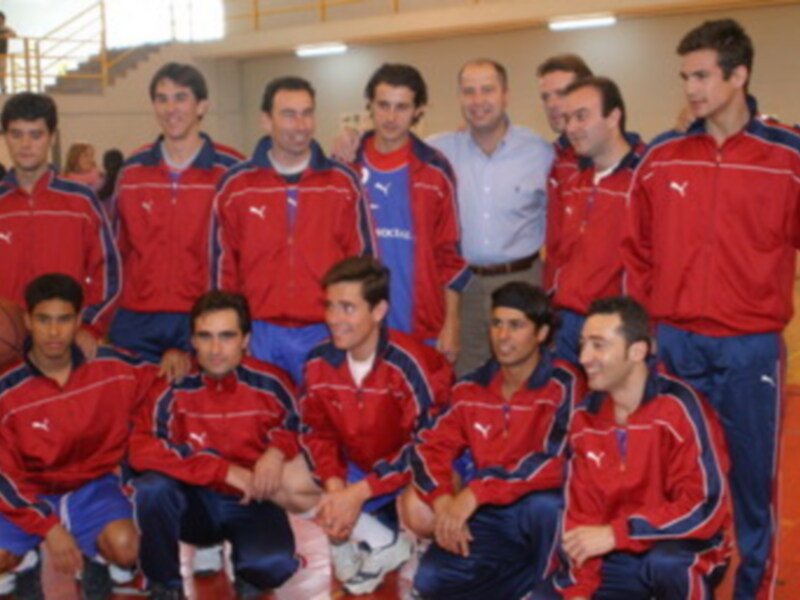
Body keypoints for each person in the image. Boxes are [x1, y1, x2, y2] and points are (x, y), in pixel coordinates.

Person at [621, 19, 800, 599]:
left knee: (752, 487)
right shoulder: (664, 155)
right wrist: (645, 334)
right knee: (679, 482)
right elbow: (637, 251)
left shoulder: (788, 156)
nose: (691, 88)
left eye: (702, 76)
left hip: (751, 350)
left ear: (739, 74)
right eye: (685, 77)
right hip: (675, 343)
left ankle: (754, 592)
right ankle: (683, 587)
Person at [403, 282, 585, 599]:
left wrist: (476, 491)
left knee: (548, 505)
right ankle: (526, 584)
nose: (503, 336)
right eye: (497, 324)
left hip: (538, 512)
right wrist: (444, 500)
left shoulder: (564, 383)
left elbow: (560, 461)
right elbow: (427, 447)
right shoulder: (471, 388)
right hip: (489, 512)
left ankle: (550, 589)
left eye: (516, 326)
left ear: (541, 334)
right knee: (430, 581)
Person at [284, 257, 452, 595]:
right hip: (358, 464)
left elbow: (425, 447)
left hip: (408, 468)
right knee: (286, 481)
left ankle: (391, 533)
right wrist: (334, 487)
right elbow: (317, 433)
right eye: (330, 306)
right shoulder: (319, 361)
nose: (334, 319)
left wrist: (359, 493)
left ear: (378, 311)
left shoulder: (414, 365)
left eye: (348, 308)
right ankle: (381, 540)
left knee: (423, 514)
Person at [555, 296, 731, 599]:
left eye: (598, 345)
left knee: (667, 563)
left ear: (637, 351)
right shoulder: (583, 419)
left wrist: (619, 533)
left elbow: (704, 507)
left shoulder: (680, 408)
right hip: (613, 556)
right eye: (583, 344)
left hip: (680, 546)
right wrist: (580, 591)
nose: (584, 357)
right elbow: (580, 520)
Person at [129, 291, 301, 600]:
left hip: (252, 498)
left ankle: (249, 566)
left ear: (245, 339)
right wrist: (221, 470)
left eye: (227, 336)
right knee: (152, 490)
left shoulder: (272, 383)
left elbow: (302, 425)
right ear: (193, 341)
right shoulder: (172, 384)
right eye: (205, 337)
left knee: (273, 567)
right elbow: (141, 449)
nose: (216, 349)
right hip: (193, 505)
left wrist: (276, 451)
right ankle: (165, 585)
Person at [0, 273, 154, 599]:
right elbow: (3, 478)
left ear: (78, 321)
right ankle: (26, 559)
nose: (54, 332)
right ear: (27, 321)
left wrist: (175, 359)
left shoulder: (114, 368)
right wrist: (49, 527)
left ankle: (96, 556)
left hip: (93, 486)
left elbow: (165, 387)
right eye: (43, 320)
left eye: (64, 319)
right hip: (30, 493)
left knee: (127, 548)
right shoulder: (6, 391)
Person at [211, 76, 374, 384]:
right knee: (262, 425)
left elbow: (363, 265)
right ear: (266, 120)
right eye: (288, 114)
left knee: (321, 427)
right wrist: (234, 332)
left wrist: (359, 329)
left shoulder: (342, 184)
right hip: (260, 333)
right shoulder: (236, 187)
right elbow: (223, 270)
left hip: (327, 330)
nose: (300, 125)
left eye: (307, 113)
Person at [112, 63, 243, 381]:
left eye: (181, 98)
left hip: (203, 318)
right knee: (135, 420)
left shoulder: (232, 173)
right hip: (136, 320)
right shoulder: (131, 172)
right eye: (162, 99)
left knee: (197, 419)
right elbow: (118, 253)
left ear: (201, 106)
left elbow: (242, 257)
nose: (171, 109)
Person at [428, 59, 554, 375]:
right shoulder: (437, 152)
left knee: (524, 376)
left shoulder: (539, 152)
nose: (478, 100)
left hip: (523, 279)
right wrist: (352, 139)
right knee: (464, 376)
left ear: (506, 94)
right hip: (462, 288)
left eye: (488, 90)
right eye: (469, 92)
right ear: (459, 97)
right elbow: (387, 146)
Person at [349, 63, 470, 361]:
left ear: (418, 110)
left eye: (402, 107)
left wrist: (451, 323)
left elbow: (449, 255)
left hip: (421, 325)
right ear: (370, 106)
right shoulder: (345, 166)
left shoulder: (435, 170)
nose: (391, 117)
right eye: (383, 105)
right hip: (357, 325)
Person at [0, 92, 120, 360]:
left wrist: (89, 323)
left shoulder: (81, 200)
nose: (25, 144)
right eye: (16, 134)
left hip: (65, 347)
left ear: (51, 136)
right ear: (5, 137)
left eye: (36, 134)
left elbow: (109, 272)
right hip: (6, 348)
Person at [545, 76, 645, 365]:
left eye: (581, 117)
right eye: (567, 119)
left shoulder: (644, 181)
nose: (571, 128)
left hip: (615, 330)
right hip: (567, 327)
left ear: (613, 117)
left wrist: (640, 330)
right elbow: (559, 255)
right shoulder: (576, 183)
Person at [0, 12, 16, 95]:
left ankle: (3, 87)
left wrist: (5, 35)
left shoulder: (5, 28)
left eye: (0, 17)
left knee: (2, 70)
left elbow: (14, 34)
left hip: (2, 52)